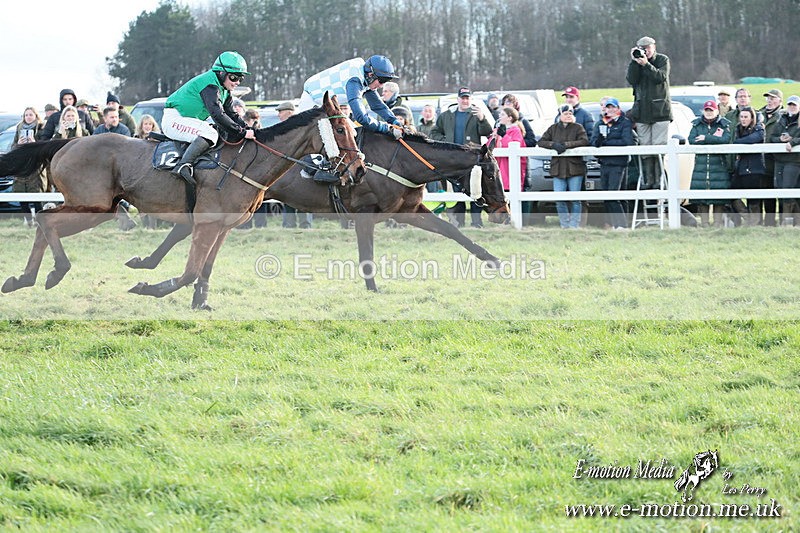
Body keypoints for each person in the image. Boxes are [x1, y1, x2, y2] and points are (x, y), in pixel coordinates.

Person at [162, 51, 255, 185]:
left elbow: (231, 114)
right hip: (175, 120)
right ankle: (183, 166)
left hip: (187, 120)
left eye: (241, 78)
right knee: (210, 133)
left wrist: (248, 129)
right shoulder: (210, 85)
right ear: (221, 73)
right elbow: (218, 115)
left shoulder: (224, 89)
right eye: (234, 77)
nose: (237, 82)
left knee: (213, 132)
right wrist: (242, 132)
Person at [299, 54, 404, 139]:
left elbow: (377, 105)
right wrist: (386, 128)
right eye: (381, 81)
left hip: (327, 105)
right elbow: (361, 117)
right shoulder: (354, 80)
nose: (381, 86)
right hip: (312, 102)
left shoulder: (366, 77)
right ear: (371, 75)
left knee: (353, 134)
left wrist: (395, 121)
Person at [430, 86, 493, 227]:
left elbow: (487, 132)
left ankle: (477, 222)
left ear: (471, 99)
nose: (465, 100)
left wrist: (482, 119)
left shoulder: (476, 114)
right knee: (456, 191)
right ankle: (459, 222)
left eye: (467, 98)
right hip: (453, 160)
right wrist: (447, 141)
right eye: (463, 98)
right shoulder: (447, 115)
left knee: (476, 190)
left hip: (471, 160)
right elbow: (434, 133)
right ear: (458, 99)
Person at [626, 36, 672, 189]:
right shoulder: (636, 62)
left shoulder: (662, 60)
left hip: (660, 111)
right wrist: (635, 62)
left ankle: (658, 179)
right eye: (642, 48)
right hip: (642, 112)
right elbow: (631, 80)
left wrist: (646, 64)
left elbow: (660, 77)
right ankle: (648, 179)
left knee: (658, 146)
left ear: (654, 47)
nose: (645, 51)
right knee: (645, 147)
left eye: (648, 48)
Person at [538, 104, 589, 229]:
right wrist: (553, 145)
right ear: (560, 115)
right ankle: (564, 224)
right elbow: (541, 142)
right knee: (559, 198)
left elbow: (584, 141)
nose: (568, 116)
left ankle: (574, 225)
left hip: (574, 168)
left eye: (570, 113)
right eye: (565, 113)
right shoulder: (553, 128)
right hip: (558, 168)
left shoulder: (578, 128)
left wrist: (567, 145)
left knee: (575, 199)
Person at [592, 98, 634, 230]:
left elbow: (627, 142)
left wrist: (607, 142)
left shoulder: (625, 123)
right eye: (607, 107)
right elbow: (594, 143)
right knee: (607, 196)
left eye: (612, 107)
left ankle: (622, 224)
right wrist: (601, 139)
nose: (610, 110)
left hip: (618, 163)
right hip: (604, 162)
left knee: (614, 194)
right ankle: (615, 225)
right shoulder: (600, 123)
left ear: (618, 109)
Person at [688, 100, 732, 227]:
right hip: (701, 166)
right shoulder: (696, 125)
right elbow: (692, 140)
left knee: (718, 197)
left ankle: (717, 224)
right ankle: (705, 224)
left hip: (719, 165)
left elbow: (725, 139)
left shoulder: (724, 124)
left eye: (711, 110)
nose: (708, 113)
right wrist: (714, 140)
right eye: (706, 110)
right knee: (702, 197)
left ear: (716, 111)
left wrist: (706, 138)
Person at [730, 107, 766, 226]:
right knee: (731, 194)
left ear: (752, 118)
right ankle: (748, 218)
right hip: (741, 168)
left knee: (754, 198)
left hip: (754, 168)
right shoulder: (738, 129)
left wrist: (736, 143)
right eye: (741, 117)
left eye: (746, 117)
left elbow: (755, 138)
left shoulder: (758, 128)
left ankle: (754, 224)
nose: (743, 119)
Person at [12, 107, 47, 225]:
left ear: (36, 116)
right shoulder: (19, 128)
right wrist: (18, 145)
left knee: (37, 196)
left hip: (36, 167)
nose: (28, 117)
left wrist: (34, 144)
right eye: (26, 115)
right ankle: (28, 221)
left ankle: (40, 222)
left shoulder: (42, 128)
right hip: (21, 167)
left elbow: (45, 146)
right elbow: (12, 147)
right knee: (21, 196)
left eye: (31, 115)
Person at [770, 95, 800, 225]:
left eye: (794, 105)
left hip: (794, 160)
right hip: (779, 159)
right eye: (790, 105)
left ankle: (786, 222)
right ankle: (793, 221)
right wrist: (780, 140)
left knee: (788, 188)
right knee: (780, 188)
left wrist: (793, 142)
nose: (792, 107)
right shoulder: (781, 120)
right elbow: (772, 137)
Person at [758, 89, 784, 225]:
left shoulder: (784, 115)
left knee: (780, 190)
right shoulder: (758, 115)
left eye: (773, 98)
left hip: (779, 159)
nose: (769, 100)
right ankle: (769, 222)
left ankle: (783, 221)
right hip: (762, 160)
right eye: (768, 97)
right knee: (766, 190)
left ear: (780, 101)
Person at [492, 106, 528, 192]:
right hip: (499, 167)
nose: (499, 116)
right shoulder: (498, 130)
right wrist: (494, 137)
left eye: (503, 114)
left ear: (510, 118)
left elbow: (514, 146)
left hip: (510, 170)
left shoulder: (516, 131)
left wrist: (504, 136)